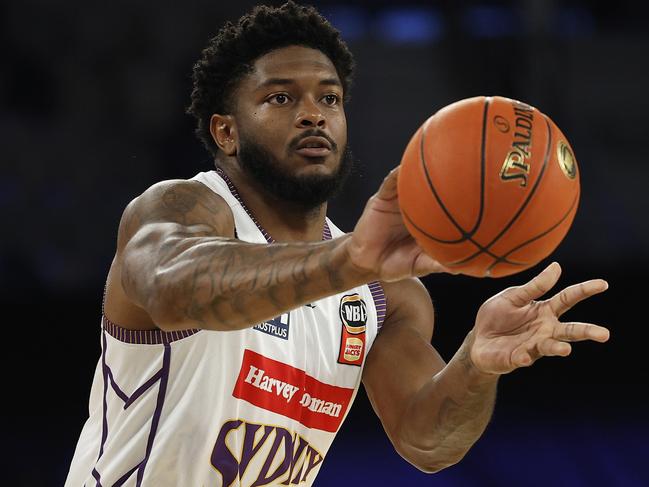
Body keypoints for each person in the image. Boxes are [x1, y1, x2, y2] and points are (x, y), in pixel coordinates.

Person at [65, 2, 610, 486]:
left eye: (330, 97)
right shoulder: (184, 210)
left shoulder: (385, 296)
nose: (313, 113)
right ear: (226, 132)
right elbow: (172, 291)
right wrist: (349, 261)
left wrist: (477, 366)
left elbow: (429, 444)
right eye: (280, 97)